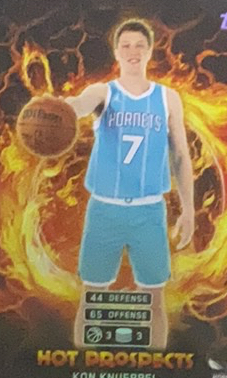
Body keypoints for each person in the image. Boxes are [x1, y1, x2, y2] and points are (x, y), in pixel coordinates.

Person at [62, 19, 194, 350]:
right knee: (92, 297)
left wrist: (189, 210)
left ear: (150, 51)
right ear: (116, 52)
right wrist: (60, 108)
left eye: (139, 45)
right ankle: (83, 366)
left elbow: (181, 155)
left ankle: (155, 366)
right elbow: (79, 105)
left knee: (154, 298)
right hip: (104, 210)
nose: (133, 51)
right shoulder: (103, 92)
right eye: (126, 46)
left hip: (149, 211)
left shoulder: (168, 98)